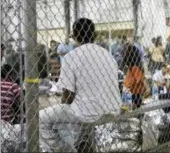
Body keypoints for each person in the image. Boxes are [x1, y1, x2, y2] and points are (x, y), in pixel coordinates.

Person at [39, 18, 122, 151]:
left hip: (87, 113)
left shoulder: (71, 56)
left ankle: (65, 150)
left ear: (75, 36)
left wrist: (64, 107)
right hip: (112, 109)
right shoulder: (108, 54)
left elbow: (68, 97)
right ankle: (82, 143)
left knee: (41, 119)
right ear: (93, 35)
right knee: (72, 117)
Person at [122, 44, 146, 109]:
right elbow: (140, 79)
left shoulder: (130, 68)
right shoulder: (136, 67)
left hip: (131, 93)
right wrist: (146, 86)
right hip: (135, 93)